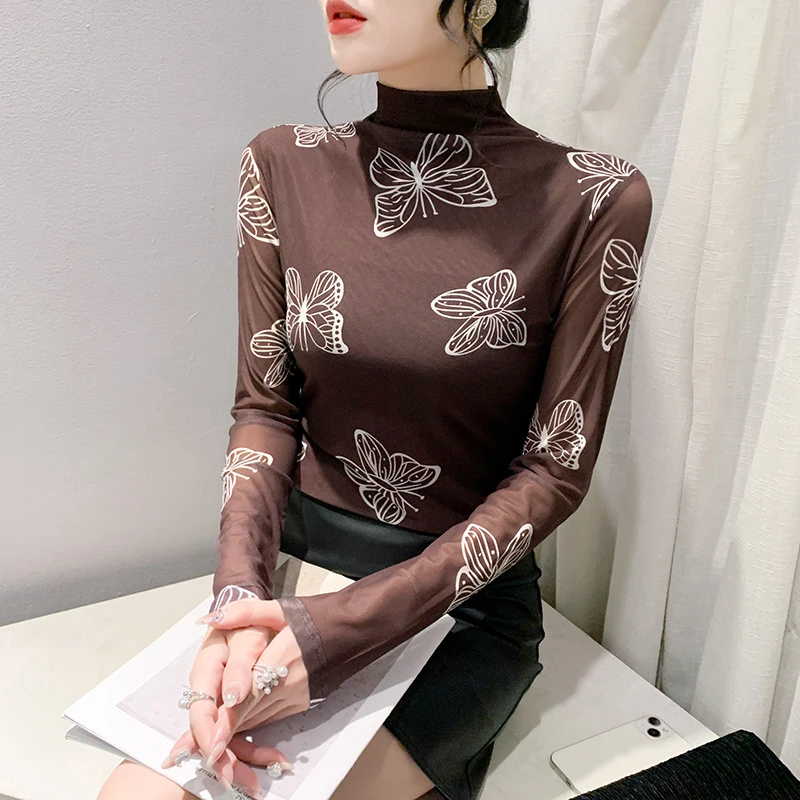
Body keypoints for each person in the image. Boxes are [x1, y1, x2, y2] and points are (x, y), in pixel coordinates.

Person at [97, 0, 653, 798]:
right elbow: (265, 410)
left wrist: (339, 632)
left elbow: (555, 470)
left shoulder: (593, 197)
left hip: (459, 605)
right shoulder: (281, 163)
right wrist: (236, 602)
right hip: (293, 576)